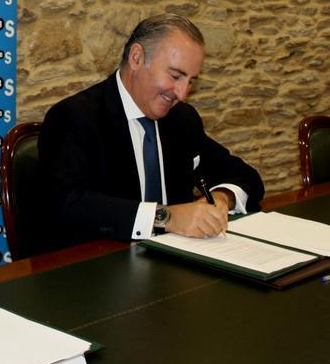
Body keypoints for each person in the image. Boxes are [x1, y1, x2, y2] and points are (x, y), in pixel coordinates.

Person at [39, 14, 264, 243]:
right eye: (175, 75)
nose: (182, 93)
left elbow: (247, 177)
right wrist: (166, 217)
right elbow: (67, 204)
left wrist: (221, 199)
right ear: (137, 58)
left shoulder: (182, 119)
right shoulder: (75, 117)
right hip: (103, 265)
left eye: (191, 81)